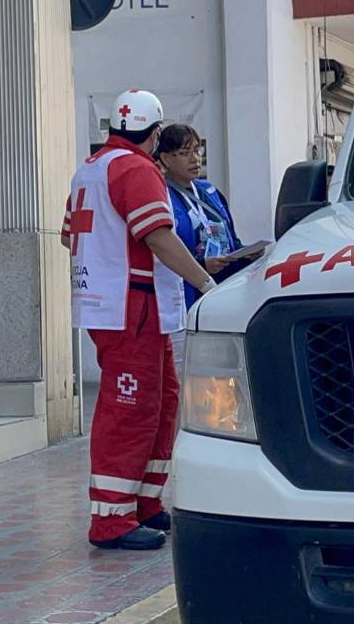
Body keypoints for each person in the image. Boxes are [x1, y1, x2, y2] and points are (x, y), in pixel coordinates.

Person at [60, 89, 216, 551]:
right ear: (153, 134)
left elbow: (69, 237)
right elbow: (158, 237)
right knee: (130, 408)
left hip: (108, 304)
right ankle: (111, 518)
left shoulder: (89, 169)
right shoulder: (135, 169)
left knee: (162, 398)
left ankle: (144, 502)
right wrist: (207, 285)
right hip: (132, 307)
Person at [155, 123, 263, 373]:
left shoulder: (209, 191)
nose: (195, 159)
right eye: (184, 153)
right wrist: (202, 266)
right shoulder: (161, 195)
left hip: (221, 293)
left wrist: (245, 254)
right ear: (165, 158)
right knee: (186, 375)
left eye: (197, 150)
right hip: (183, 299)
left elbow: (230, 238)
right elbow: (161, 249)